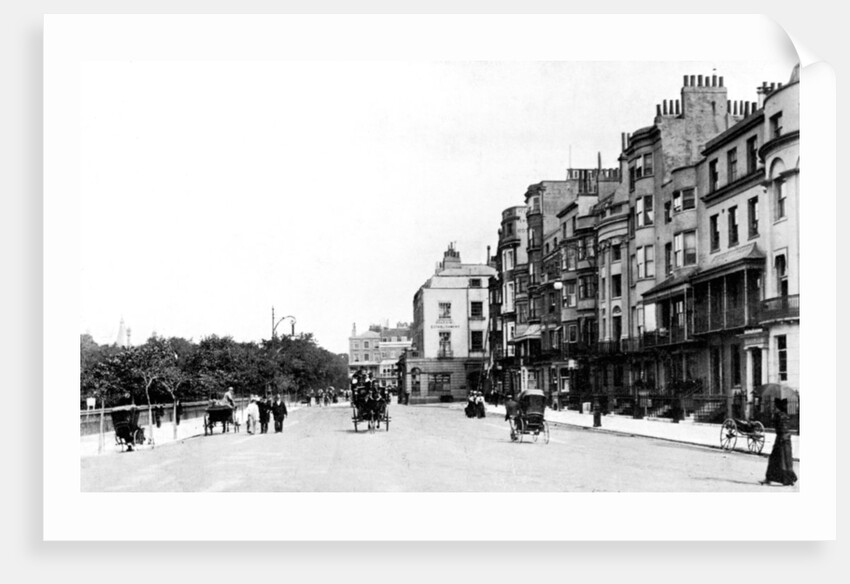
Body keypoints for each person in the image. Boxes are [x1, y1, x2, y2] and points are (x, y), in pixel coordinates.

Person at [762, 397, 797, 486]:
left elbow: (780, 428)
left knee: (774, 459)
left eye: (775, 404)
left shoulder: (779, 415)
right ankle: (789, 479)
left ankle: (769, 479)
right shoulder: (786, 415)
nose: (774, 406)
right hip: (787, 440)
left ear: (778, 405)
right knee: (786, 460)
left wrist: (774, 417)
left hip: (781, 440)